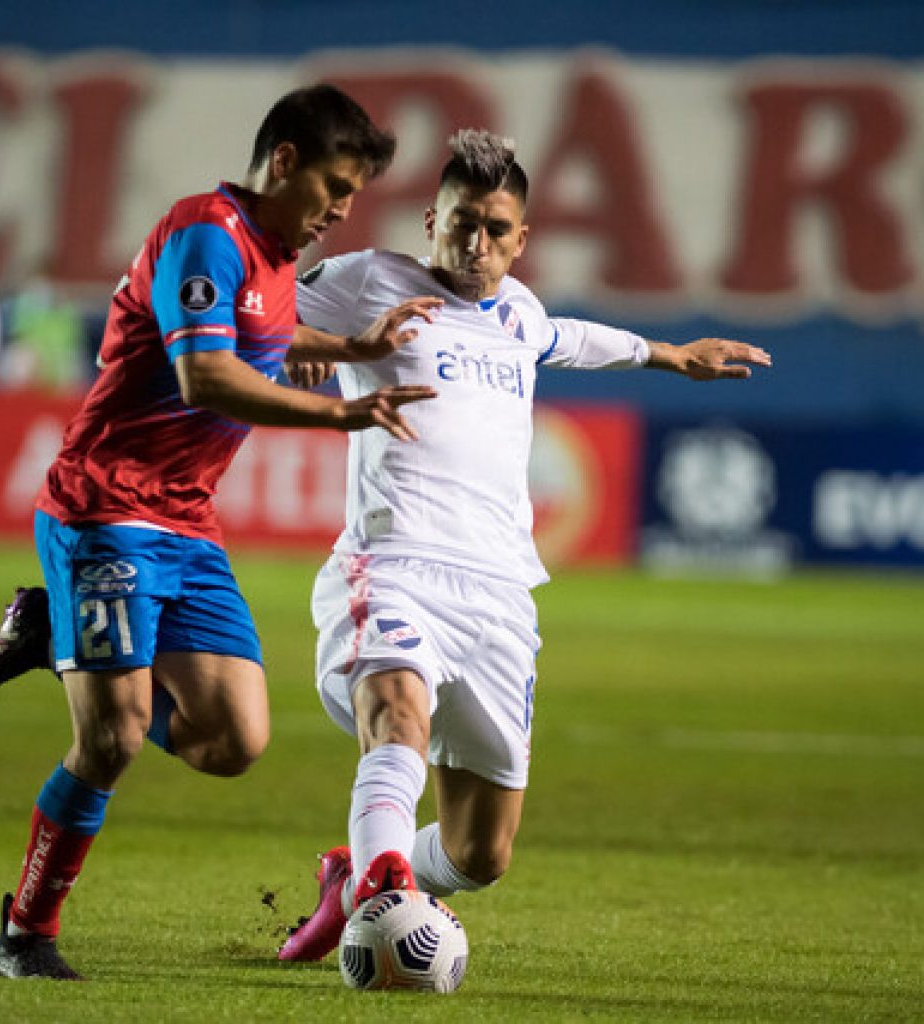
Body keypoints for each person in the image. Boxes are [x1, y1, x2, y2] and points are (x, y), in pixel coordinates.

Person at [0, 84, 441, 981]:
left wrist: (353, 349)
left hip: (185, 520)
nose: (340, 208)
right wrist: (341, 416)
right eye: (334, 183)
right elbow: (206, 375)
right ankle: (24, 934)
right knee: (115, 736)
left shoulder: (277, 254)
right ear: (283, 161)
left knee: (232, 741)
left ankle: (50, 630)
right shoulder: (206, 234)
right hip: (105, 508)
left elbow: (269, 339)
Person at [275, 129, 772, 962]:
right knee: (396, 716)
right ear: (431, 218)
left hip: (500, 594)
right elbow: (251, 319)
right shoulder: (367, 281)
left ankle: (352, 874)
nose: (477, 245)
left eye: (497, 230)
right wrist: (309, 353)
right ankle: (380, 893)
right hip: (394, 567)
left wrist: (670, 356)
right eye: (462, 223)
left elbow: (572, 338)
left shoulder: (520, 315)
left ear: (522, 237)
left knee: (480, 854)